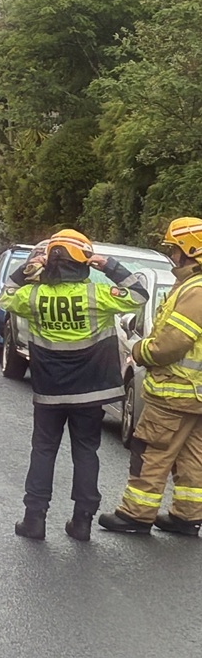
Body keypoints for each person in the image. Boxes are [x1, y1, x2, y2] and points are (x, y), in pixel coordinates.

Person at [0, 228, 148, 541]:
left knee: (43, 450)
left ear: (50, 261)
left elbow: (5, 296)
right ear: (83, 261)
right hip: (92, 391)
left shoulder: (34, 296)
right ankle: (82, 523)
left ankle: (34, 520)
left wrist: (26, 270)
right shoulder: (97, 295)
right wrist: (108, 265)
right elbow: (139, 296)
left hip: (50, 390)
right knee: (85, 452)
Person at [99, 217, 202, 536]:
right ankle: (187, 517)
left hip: (176, 391)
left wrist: (141, 350)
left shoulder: (194, 290)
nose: (172, 256)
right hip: (195, 396)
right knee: (193, 457)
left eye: (174, 249)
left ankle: (135, 515)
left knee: (151, 452)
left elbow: (173, 342)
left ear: (190, 250)